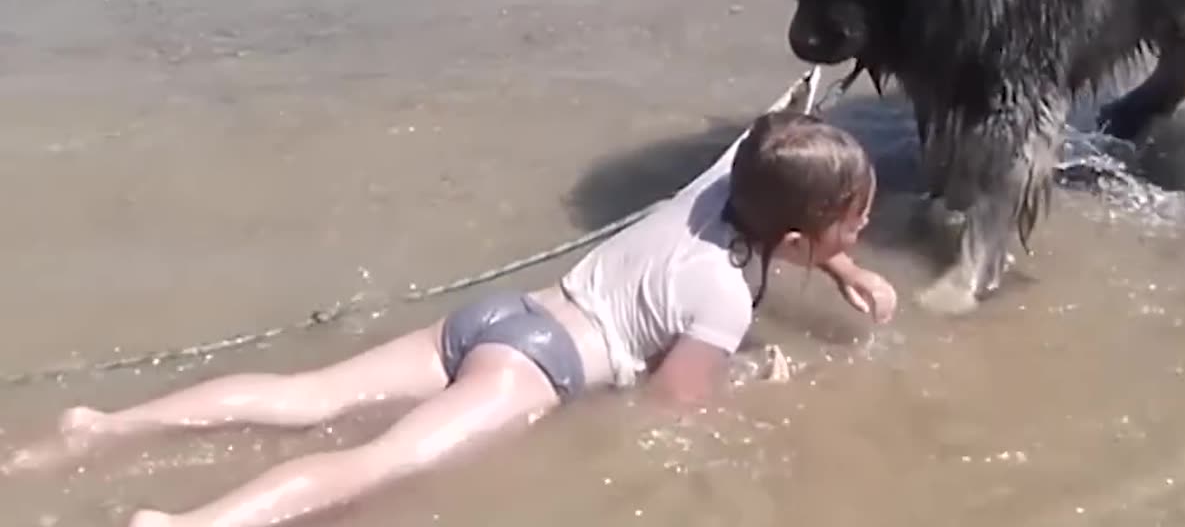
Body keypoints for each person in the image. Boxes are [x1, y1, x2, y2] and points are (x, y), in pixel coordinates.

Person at [5, 79, 897, 527]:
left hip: (499, 318)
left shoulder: (712, 192)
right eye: (852, 232)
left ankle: (104, 428)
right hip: (535, 374)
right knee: (371, 467)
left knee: (307, 395)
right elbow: (677, 403)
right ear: (792, 245)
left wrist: (843, 272)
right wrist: (765, 387)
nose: (856, 240)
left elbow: (766, 176)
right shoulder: (723, 302)